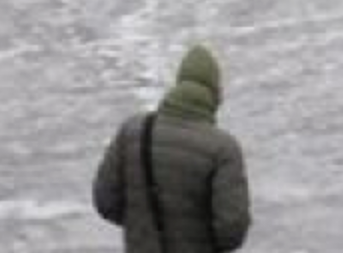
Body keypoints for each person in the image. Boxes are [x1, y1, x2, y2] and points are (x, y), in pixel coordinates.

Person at [93, 44, 252, 253]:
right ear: (215, 94)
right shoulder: (223, 149)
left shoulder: (133, 132)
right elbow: (231, 230)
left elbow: (105, 201)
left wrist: (142, 228)